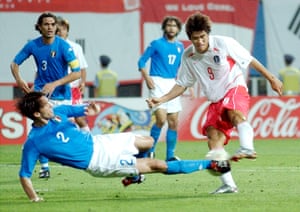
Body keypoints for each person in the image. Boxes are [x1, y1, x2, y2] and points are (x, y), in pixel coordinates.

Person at [147, 12, 283, 194]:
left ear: (208, 34)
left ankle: (248, 148)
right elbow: (182, 85)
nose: (200, 41)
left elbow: (249, 60)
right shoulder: (189, 56)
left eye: (203, 37)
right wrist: (161, 99)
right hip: (215, 100)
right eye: (196, 38)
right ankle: (229, 184)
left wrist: (272, 78)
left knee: (233, 113)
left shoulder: (224, 43)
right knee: (213, 140)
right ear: (190, 38)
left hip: (234, 88)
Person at [16, 91, 230, 202]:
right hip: (100, 162)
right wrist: (34, 198)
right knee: (157, 164)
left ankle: (135, 175)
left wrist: (90, 107)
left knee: (148, 141)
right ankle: (211, 164)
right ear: (36, 113)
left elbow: (81, 109)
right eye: (46, 105)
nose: (51, 106)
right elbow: (24, 175)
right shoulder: (34, 142)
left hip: (101, 142)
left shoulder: (59, 112)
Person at [10, 12, 81, 179]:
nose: (50, 27)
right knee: (40, 127)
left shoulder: (64, 46)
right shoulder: (32, 46)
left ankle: (77, 154)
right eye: (46, 24)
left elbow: (77, 73)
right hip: (41, 94)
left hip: (62, 95)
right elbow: (14, 63)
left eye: (52, 24)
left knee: (61, 129)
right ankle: (44, 166)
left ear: (56, 27)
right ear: (39, 27)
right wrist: (19, 80)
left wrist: (55, 83)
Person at [138, 16, 187, 161]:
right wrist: (147, 78)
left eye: (174, 26)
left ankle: (170, 156)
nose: (171, 28)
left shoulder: (180, 47)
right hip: (157, 82)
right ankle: (150, 151)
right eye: (169, 25)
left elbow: (181, 67)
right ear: (164, 28)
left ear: (178, 29)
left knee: (173, 122)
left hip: (172, 83)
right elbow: (141, 61)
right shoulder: (156, 44)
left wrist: (184, 84)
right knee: (160, 119)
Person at [56, 16, 90, 132]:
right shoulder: (49, 48)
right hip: (57, 91)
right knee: (62, 120)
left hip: (73, 89)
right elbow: (39, 71)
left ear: (67, 31)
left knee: (80, 118)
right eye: (58, 30)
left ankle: (88, 141)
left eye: (63, 29)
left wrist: (83, 83)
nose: (60, 32)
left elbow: (82, 68)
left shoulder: (76, 47)